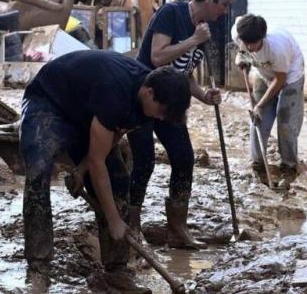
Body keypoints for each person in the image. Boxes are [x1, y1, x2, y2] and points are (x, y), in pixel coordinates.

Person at [20, 50, 191, 293]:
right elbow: (98, 162)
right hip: (49, 101)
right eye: (162, 111)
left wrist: (81, 169)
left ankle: (116, 270)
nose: (162, 118)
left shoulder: (147, 105)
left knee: (118, 179)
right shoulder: (116, 92)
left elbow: (114, 135)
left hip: (89, 113)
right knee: (38, 169)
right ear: (149, 92)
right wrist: (113, 220)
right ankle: (38, 268)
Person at [127, 0, 238, 249]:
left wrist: (203, 95)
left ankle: (177, 227)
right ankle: (132, 226)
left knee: (184, 157)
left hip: (172, 100)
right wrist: (193, 40)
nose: (225, 11)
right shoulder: (172, 13)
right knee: (144, 161)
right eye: (224, 4)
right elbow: (158, 56)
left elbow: (183, 72)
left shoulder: (205, 29)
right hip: (146, 96)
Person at [232, 14, 304, 185]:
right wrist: (241, 57)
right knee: (257, 120)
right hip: (264, 74)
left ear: (263, 37)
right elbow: (241, 46)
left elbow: (280, 80)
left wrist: (260, 104)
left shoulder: (277, 48)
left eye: (254, 43)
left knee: (286, 122)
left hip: (289, 76)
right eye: (246, 43)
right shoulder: (239, 33)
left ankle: (288, 167)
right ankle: (258, 164)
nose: (250, 47)